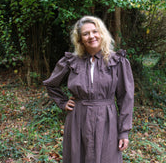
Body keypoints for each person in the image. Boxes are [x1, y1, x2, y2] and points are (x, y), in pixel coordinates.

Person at [43, 15, 134, 163]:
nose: (91, 36)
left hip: (107, 120)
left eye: (94, 31)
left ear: (101, 33)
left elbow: (126, 98)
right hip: (78, 119)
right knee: (77, 157)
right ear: (80, 39)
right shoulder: (71, 61)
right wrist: (63, 102)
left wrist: (124, 131)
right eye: (85, 34)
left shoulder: (117, 61)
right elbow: (51, 84)